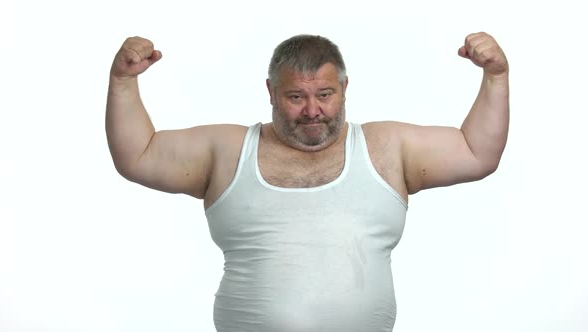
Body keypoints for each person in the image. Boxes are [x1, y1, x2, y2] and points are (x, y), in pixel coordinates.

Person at [106, 32, 509, 331]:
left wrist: (496, 76)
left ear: (345, 89)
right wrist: (123, 83)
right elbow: (138, 155)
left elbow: (477, 153)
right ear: (270, 92)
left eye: (326, 94)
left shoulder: (387, 147)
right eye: (296, 97)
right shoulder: (228, 149)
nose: (313, 111)